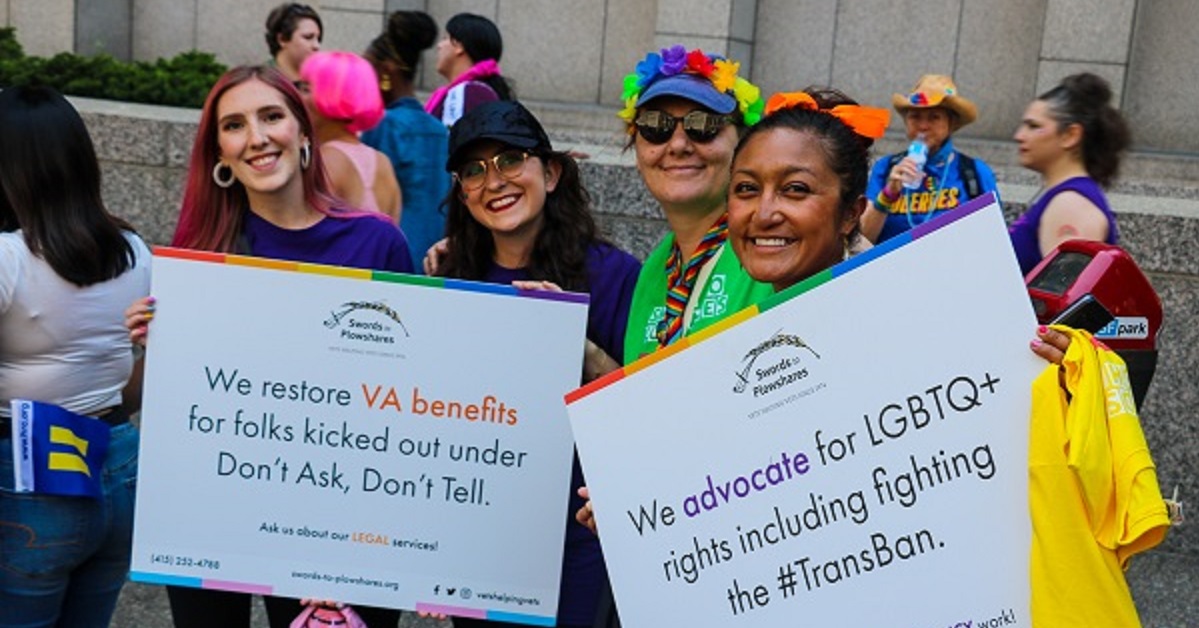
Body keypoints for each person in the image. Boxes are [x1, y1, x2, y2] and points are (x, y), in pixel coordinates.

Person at [125, 65, 410, 628]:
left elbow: (412, 396)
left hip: (341, 516)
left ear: (305, 133)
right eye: (234, 125)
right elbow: (156, 406)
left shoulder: (377, 241)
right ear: (221, 155)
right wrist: (151, 348)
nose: (256, 137)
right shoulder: (199, 260)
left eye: (271, 116)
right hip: (213, 510)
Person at [437, 99, 640, 628]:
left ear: (549, 173)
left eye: (510, 160)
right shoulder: (451, 280)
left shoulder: (615, 275)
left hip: (580, 533)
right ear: (462, 191)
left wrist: (579, 346)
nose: (493, 181)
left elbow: (643, 407)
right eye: (473, 171)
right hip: (481, 532)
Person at [0, 85, 152, 627]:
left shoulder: (10, 258)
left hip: (29, 474)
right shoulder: (134, 251)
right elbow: (132, 383)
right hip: (118, 457)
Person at [617, 44, 775, 362]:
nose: (677, 144)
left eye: (702, 125)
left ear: (744, 144)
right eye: (655, 126)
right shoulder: (655, 269)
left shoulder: (775, 244)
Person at [1008, 72, 1130, 275]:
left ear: (1070, 135)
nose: (1019, 136)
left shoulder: (1071, 205)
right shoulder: (1066, 198)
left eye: (1034, 126)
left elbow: (1065, 301)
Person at [860, 74, 999, 244]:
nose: (923, 126)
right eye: (915, 116)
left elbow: (994, 239)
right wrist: (888, 195)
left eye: (934, 117)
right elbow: (863, 239)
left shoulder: (975, 173)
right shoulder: (886, 168)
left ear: (951, 123)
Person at [363, 10, 452, 271]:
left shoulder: (383, 124)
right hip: (436, 258)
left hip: (392, 258)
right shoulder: (437, 128)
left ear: (385, 72)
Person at [299, 50, 402, 223]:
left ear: (330, 96)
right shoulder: (382, 162)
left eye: (306, 88)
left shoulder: (327, 160)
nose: (297, 96)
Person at [425, 12, 513, 127]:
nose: (439, 45)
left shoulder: (469, 92)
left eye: (445, 38)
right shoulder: (476, 91)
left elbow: (451, 141)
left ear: (459, 46)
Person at [264, 2, 322, 82]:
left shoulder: (319, 83)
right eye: (308, 37)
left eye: (318, 39)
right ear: (282, 39)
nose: (316, 46)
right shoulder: (261, 83)